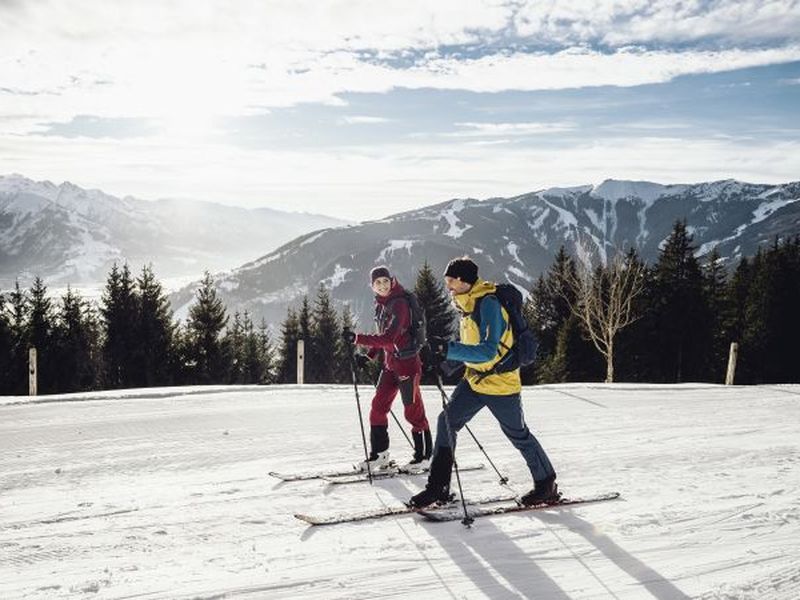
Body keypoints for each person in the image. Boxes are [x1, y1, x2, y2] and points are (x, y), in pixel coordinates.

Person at [408, 256, 558, 508]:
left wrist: (449, 349)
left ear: (465, 281)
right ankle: (438, 488)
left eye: (451, 281)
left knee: (518, 434)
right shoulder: (466, 304)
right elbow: (469, 347)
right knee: (446, 422)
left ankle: (546, 485)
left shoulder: (488, 304)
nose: (448, 287)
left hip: (500, 384)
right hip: (475, 381)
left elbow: (488, 351)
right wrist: (444, 359)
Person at [342, 266, 432, 472]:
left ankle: (424, 457)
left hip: (408, 364)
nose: (382, 286)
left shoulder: (399, 303)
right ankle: (380, 455)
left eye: (385, 281)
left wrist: (357, 338)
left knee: (413, 412)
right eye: (377, 283)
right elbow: (383, 337)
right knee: (378, 408)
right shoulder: (381, 306)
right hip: (390, 365)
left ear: (392, 281)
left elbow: (390, 337)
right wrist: (370, 356)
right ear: (372, 286)